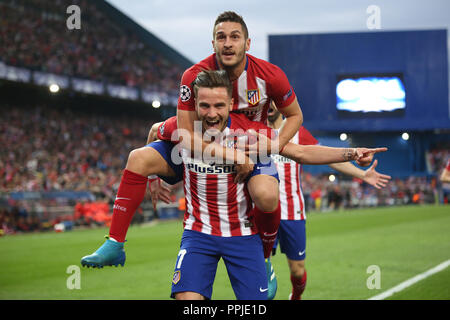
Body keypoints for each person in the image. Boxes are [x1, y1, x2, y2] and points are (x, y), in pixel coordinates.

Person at [175, 11, 304, 269]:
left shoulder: (270, 76)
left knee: (267, 196)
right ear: (213, 43)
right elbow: (185, 133)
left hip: (252, 149)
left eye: (235, 37)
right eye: (221, 37)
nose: (228, 43)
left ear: (247, 43)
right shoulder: (194, 75)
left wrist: (275, 145)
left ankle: (265, 258)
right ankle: (115, 240)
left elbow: (295, 116)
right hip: (207, 150)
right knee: (142, 158)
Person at [266, 103, 392, 300]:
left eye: (275, 99)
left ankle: (296, 297)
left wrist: (362, 175)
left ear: (281, 105)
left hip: (293, 211)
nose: (270, 104)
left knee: (298, 271)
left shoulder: (297, 133)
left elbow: (328, 158)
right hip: (263, 211)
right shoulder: (254, 131)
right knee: (261, 274)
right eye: (267, 99)